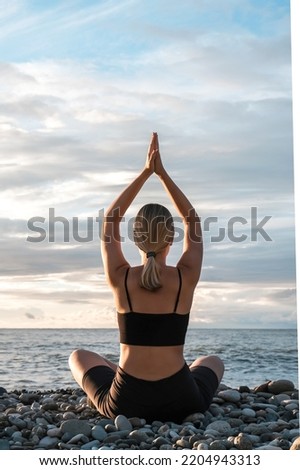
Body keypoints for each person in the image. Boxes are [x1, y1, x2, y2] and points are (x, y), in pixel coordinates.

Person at [69, 133, 224, 423]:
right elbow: (193, 221)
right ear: (172, 237)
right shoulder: (184, 277)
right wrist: (162, 174)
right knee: (212, 361)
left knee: (78, 356)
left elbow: (111, 220)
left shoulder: (121, 278)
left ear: (136, 238)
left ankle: (124, 370)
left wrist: (144, 173)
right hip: (182, 400)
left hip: (127, 400)